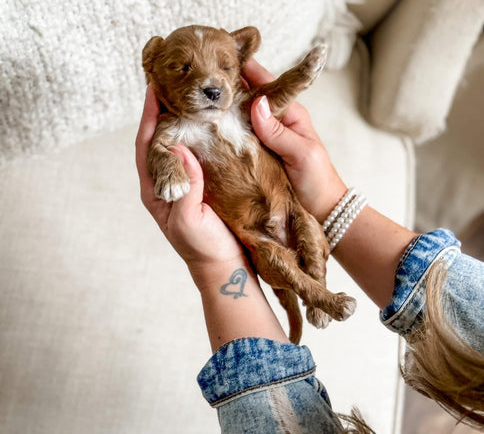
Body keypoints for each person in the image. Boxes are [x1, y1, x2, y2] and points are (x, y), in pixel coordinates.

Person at [135, 57, 484, 433]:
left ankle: (318, 294)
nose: (210, 80)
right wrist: (330, 200)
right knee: (291, 244)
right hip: (260, 225)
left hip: (282, 206)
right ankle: (319, 295)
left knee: (309, 234)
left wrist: (216, 264)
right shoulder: (179, 125)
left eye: (224, 66)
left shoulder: (231, 103)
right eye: (183, 67)